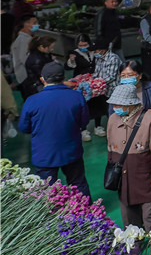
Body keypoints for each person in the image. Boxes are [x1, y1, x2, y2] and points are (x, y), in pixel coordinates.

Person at [106, 83, 151, 255]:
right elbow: (110, 148)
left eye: (119, 104)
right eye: (114, 104)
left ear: (131, 103)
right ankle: (135, 242)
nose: (115, 108)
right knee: (128, 216)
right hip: (123, 179)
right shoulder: (112, 120)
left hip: (145, 176)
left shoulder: (150, 119)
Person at [18, 63, 91, 198]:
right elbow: (84, 122)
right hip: (71, 151)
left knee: (47, 191)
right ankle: (88, 215)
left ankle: (51, 217)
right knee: (78, 183)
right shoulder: (76, 97)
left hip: (44, 155)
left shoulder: (32, 101)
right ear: (64, 78)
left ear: (42, 79)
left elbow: (24, 127)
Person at [87, 36, 124, 138]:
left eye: (96, 50)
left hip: (114, 91)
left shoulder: (113, 59)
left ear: (103, 50)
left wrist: (95, 84)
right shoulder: (99, 58)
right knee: (107, 111)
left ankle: (120, 133)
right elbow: (96, 73)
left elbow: (110, 77)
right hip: (103, 91)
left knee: (115, 113)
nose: (94, 53)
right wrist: (89, 80)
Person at [20, 35, 56, 100]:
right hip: (36, 87)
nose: (52, 49)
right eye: (50, 48)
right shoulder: (36, 60)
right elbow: (43, 75)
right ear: (41, 47)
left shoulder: (44, 54)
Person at [11, 15, 38, 89]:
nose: (37, 25)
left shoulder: (25, 38)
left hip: (25, 75)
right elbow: (25, 60)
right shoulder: (24, 40)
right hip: (26, 76)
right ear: (26, 24)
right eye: (34, 23)